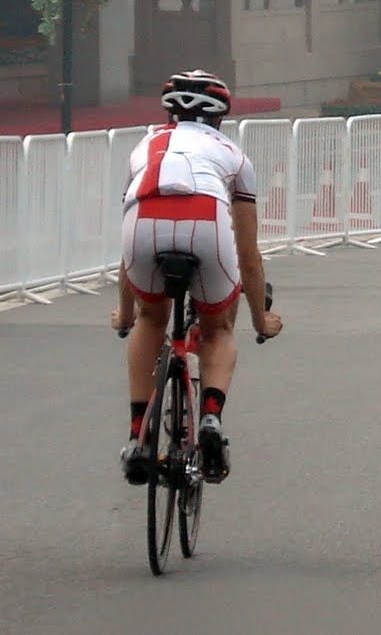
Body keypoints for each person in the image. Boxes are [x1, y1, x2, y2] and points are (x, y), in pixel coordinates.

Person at [111, 69, 283, 486]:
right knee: (217, 328)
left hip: (144, 225)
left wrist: (126, 314)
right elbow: (248, 255)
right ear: (220, 117)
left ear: (168, 113)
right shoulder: (234, 155)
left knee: (152, 320)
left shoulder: (144, 146)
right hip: (206, 222)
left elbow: (125, 257)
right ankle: (210, 418)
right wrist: (260, 319)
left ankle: (137, 439)